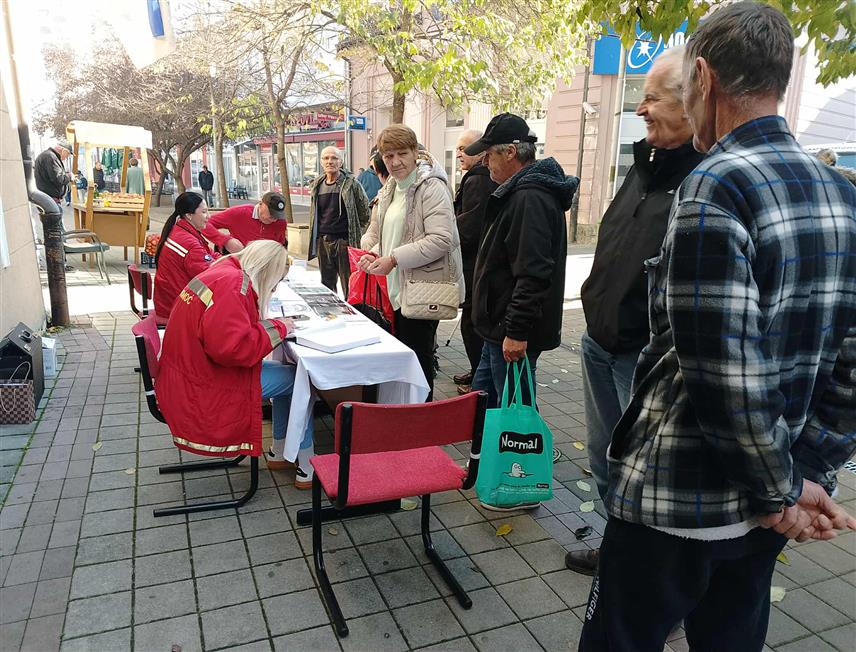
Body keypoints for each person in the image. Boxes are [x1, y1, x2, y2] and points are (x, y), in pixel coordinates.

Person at [579, 4, 856, 651]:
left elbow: (722, 374)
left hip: (679, 502)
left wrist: (784, 489)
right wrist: (806, 466)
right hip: (769, 503)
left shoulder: (716, 185)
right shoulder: (845, 195)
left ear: (703, 77)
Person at [565, 47, 705, 576]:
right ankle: (618, 553)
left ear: (692, 100)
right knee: (605, 458)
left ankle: (651, 579)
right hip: (599, 342)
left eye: (651, 97)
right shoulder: (643, 164)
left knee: (647, 475)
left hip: (645, 360)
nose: (640, 109)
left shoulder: (704, 179)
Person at [157, 240, 315, 489]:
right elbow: (234, 350)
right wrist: (279, 327)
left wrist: (271, 328)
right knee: (300, 380)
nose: (273, 290)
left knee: (291, 376)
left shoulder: (225, 272)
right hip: (205, 384)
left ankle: (281, 448)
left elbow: (227, 337)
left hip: (189, 375)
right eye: (275, 282)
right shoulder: (234, 284)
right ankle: (307, 464)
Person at [359, 125, 465, 400]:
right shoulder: (390, 188)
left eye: (402, 154)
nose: (395, 162)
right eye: (388, 156)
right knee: (403, 362)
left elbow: (442, 239)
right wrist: (369, 249)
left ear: (415, 153)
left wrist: (393, 259)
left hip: (421, 288)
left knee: (418, 364)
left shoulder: (431, 187)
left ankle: (421, 424)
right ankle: (404, 419)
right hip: (394, 289)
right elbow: (378, 230)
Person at [452, 129, 498, 395]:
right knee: (472, 321)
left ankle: (477, 380)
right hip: (475, 262)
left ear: (481, 153)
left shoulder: (477, 180)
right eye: (458, 148)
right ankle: (475, 371)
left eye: (464, 148)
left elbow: (469, 226)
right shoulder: (477, 178)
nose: (459, 153)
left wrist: (445, 231)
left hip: (474, 264)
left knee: (472, 323)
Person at [308, 146, 371, 297]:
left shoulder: (351, 184)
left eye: (334, 158)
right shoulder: (317, 185)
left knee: (349, 285)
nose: (330, 161)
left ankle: (352, 316)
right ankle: (331, 317)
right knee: (327, 286)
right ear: (321, 162)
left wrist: (355, 235)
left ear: (341, 161)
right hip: (323, 242)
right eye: (326, 158)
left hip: (344, 242)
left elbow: (365, 213)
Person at [153, 192, 219, 319]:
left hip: (172, 299)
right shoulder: (188, 243)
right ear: (189, 215)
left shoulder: (181, 230)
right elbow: (211, 276)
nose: (209, 216)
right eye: (204, 212)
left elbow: (210, 254)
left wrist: (229, 260)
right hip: (177, 306)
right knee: (227, 306)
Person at [202, 191, 288, 253]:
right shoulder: (240, 213)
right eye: (271, 213)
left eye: (278, 215)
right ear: (261, 204)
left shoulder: (281, 223)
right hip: (238, 262)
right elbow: (204, 223)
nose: (275, 219)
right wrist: (225, 240)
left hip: (263, 265)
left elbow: (280, 245)